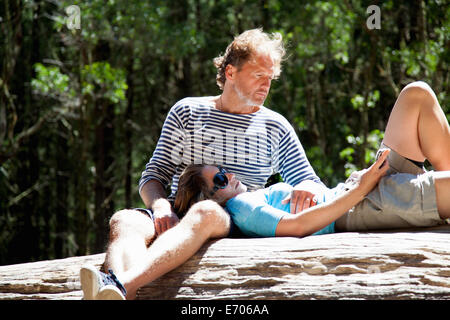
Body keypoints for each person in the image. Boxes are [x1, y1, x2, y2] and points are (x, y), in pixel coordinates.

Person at [80, 28, 328, 300]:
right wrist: (161, 206)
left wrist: (306, 187)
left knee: (206, 211)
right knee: (124, 220)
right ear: (230, 73)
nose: (266, 85)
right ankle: (116, 292)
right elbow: (154, 176)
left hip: (236, 219)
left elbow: (310, 182)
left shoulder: (276, 126)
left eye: (270, 78)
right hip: (177, 213)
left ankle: (121, 285)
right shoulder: (187, 112)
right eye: (259, 75)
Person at [174, 81, 450, 238]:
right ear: (211, 199)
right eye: (221, 179)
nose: (231, 175)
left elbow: (311, 186)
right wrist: (362, 188)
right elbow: (299, 226)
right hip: (367, 205)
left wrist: (354, 185)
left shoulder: (248, 199)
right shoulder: (242, 208)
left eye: (224, 170)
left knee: (416, 95)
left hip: (359, 191)